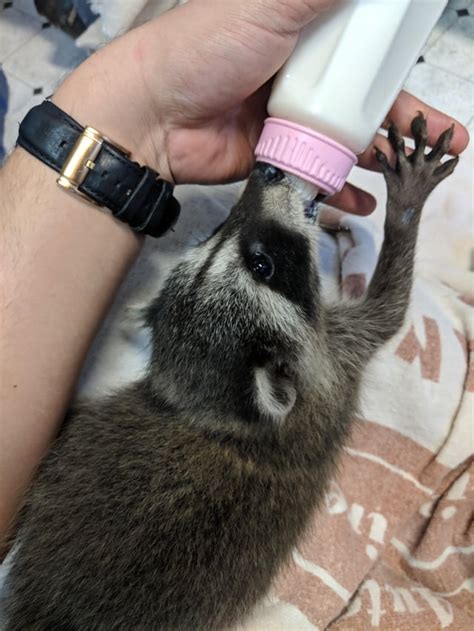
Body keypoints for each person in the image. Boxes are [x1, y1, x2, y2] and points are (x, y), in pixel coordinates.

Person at [0, 0, 469, 554]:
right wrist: (406, 207)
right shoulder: (306, 380)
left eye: (209, 242)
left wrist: (140, 105)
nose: (255, 193)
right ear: (282, 374)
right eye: (259, 263)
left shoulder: (268, 357)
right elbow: (382, 314)